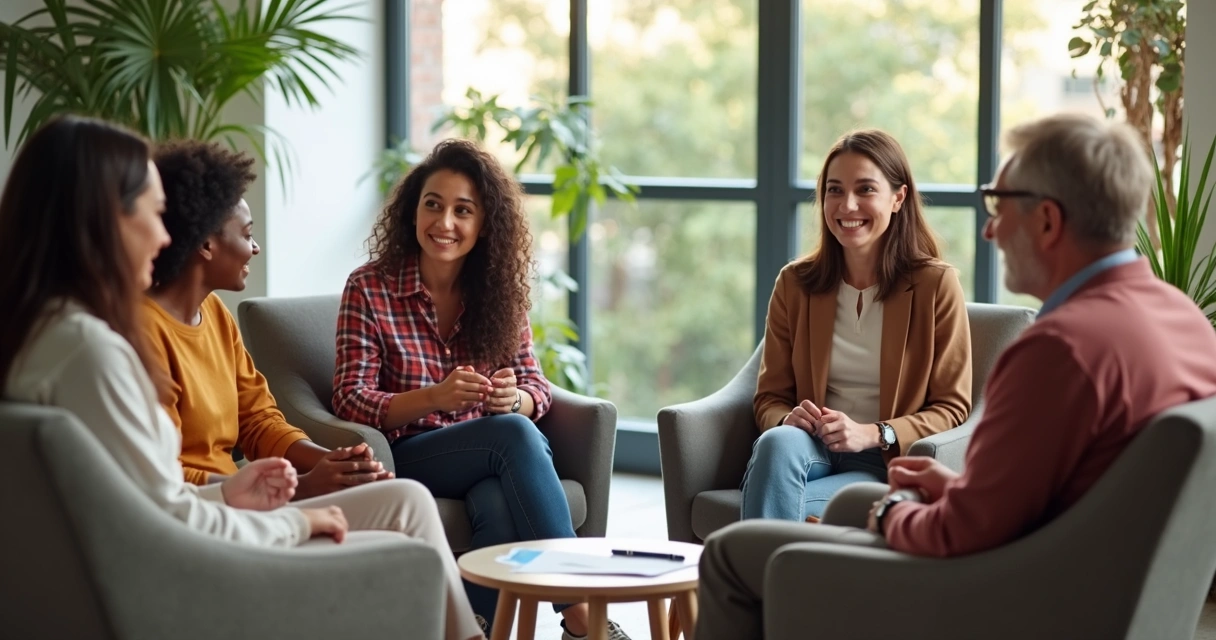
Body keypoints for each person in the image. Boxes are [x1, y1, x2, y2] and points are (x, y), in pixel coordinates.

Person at [694, 114, 1216, 640]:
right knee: (819, 484)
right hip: (1092, 587)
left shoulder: (1057, 351)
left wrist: (891, 507)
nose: (990, 228)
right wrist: (959, 488)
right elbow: (1054, 491)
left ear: (1048, 221)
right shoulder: (1187, 322)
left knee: (731, 553)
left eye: (999, 204)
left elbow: (957, 531)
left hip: (999, 599)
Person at [0, 116, 485, 640]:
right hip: (190, 576)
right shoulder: (94, 351)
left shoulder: (47, 336)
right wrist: (294, 517)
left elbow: (146, 499)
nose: (165, 235)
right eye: (153, 212)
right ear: (103, 220)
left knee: (407, 504)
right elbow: (164, 515)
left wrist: (277, 479)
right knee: (410, 557)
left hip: (171, 546)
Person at [332, 139, 630, 640]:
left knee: (496, 499)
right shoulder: (369, 287)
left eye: (462, 210)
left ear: (484, 223)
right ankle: (579, 611)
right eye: (433, 204)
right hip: (405, 455)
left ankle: (474, 628)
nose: (444, 223)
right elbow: (350, 397)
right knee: (511, 437)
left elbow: (537, 384)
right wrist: (435, 397)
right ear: (412, 211)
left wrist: (515, 399)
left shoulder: (498, 294)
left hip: (489, 458)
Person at [744, 129, 972, 522]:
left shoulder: (936, 284)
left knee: (777, 502)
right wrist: (786, 419)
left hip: (879, 461)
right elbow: (769, 398)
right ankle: (773, 572)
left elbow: (952, 407)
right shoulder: (795, 283)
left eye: (865, 189)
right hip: (807, 446)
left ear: (898, 198)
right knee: (778, 442)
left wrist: (874, 432)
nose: (847, 205)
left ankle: (749, 576)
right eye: (834, 190)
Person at [143, 139, 390, 497]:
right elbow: (161, 475)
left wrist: (331, 463)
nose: (255, 247)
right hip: (207, 510)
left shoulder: (214, 314)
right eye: (246, 235)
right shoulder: (142, 332)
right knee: (403, 501)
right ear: (205, 245)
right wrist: (299, 488)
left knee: (400, 495)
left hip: (248, 497)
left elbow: (258, 421)